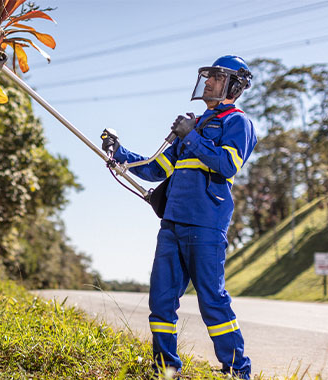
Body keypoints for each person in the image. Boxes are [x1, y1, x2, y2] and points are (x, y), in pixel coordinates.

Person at [101, 55, 257, 379]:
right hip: (171, 224)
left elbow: (227, 165)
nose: (209, 82)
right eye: (208, 76)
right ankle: (166, 369)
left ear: (234, 85)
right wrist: (120, 154)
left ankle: (237, 371)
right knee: (160, 302)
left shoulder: (238, 123)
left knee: (212, 301)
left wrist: (191, 136)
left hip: (206, 225)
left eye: (216, 77)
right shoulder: (195, 124)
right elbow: (157, 166)